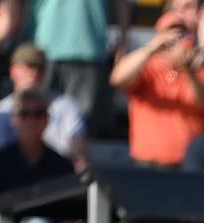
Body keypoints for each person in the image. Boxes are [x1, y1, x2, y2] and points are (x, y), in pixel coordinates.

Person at [110, 11, 204, 169]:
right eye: (169, 34)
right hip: (148, 161)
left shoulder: (201, 72)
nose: (174, 41)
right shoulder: (148, 69)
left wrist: (187, 69)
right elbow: (118, 78)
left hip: (187, 163)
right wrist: (151, 48)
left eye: (181, 35)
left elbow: (202, 100)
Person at [20, 0, 130, 136]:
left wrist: (123, 42)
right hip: (41, 51)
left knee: (81, 131)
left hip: (89, 50)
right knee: (38, 127)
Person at [0, 43, 87, 171]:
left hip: (57, 174)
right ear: (13, 71)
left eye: (39, 68)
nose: (34, 72)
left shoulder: (65, 105)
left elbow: (77, 143)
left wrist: (79, 159)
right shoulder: (1, 110)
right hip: (14, 176)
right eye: (28, 66)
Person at [0, 88, 75, 201]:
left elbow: (69, 212)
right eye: (24, 114)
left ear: (47, 119)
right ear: (13, 119)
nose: (31, 121)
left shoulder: (62, 166)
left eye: (38, 114)